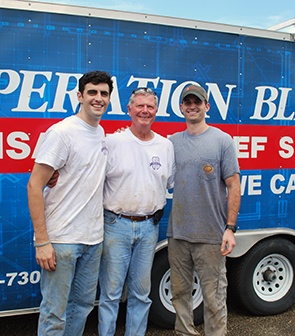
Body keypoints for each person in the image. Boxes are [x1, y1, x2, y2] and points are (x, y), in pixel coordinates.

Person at [27, 70, 113, 336]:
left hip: (93, 238)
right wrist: (42, 241)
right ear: (79, 96)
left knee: (83, 305)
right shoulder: (62, 132)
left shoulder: (101, 134)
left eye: (104, 94)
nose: (98, 98)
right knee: (54, 312)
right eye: (92, 92)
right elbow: (33, 186)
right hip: (62, 239)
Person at [98, 87, 175, 336]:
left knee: (141, 294)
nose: (145, 111)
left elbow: (170, 182)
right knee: (110, 293)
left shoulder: (165, 146)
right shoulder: (112, 142)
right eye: (139, 106)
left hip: (149, 226)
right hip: (115, 224)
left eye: (150, 107)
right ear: (129, 109)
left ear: (156, 111)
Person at [167, 83, 241, 336]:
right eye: (187, 102)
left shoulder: (222, 141)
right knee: (179, 294)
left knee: (214, 298)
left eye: (197, 102)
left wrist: (230, 228)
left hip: (211, 236)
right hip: (178, 234)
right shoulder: (171, 142)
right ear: (181, 108)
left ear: (206, 106)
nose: (192, 106)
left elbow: (234, 186)